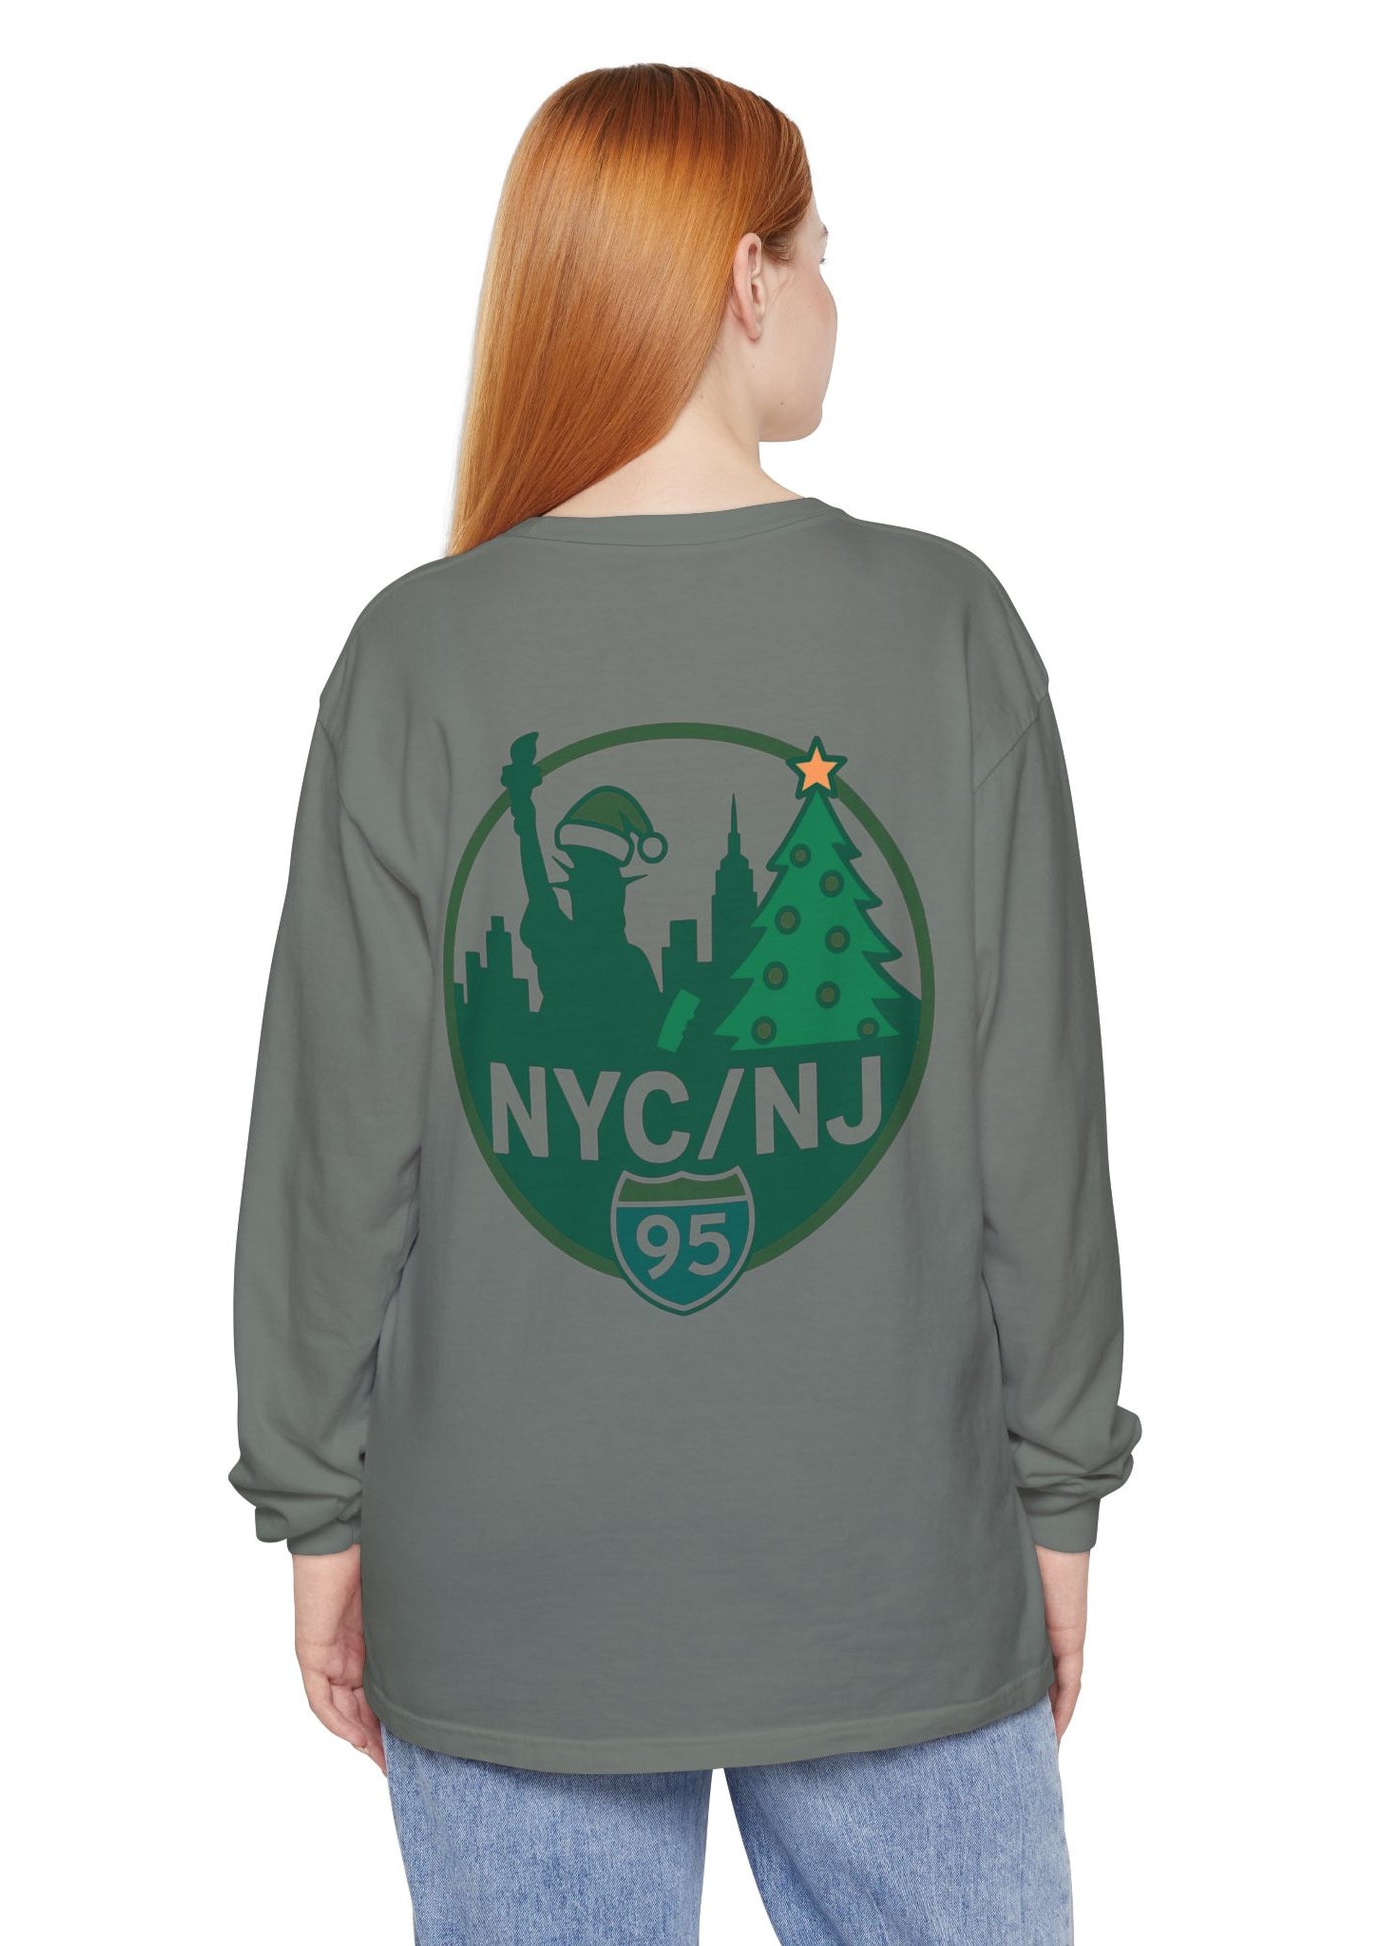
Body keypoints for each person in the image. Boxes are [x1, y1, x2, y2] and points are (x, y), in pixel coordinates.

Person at [231, 63, 1141, 1945]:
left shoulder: (416, 653)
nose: (831, 297)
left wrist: (320, 1509)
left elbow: (333, 1151)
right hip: (892, 1583)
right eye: (819, 254)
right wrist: (1059, 1498)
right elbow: (1037, 1126)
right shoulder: (944, 628)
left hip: (508, 1591)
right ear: (745, 279)